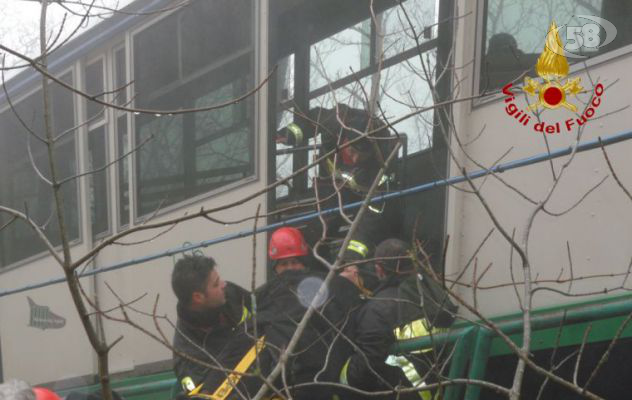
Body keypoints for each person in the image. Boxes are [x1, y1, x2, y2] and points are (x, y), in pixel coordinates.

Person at [181, 227, 362, 399]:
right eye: (284, 264)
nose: (290, 268)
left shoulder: (328, 286)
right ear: (275, 267)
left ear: (304, 263)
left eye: (295, 262)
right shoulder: (263, 296)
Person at [277, 105, 400, 261]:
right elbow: (313, 119)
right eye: (352, 152)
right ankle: (314, 258)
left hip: (359, 196)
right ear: (345, 139)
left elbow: (372, 216)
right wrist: (289, 135)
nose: (355, 159)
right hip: (330, 184)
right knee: (322, 225)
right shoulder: (335, 122)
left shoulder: (381, 164)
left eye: (361, 156)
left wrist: (353, 255)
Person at [341, 238, 458, 400]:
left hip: (410, 393)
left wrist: (341, 382)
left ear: (379, 270)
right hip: (443, 387)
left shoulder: (378, 309)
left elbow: (365, 367)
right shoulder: (433, 292)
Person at [171, 255, 251, 391]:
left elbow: (264, 307)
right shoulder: (187, 355)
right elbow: (206, 393)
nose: (223, 284)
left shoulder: (229, 294)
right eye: (216, 284)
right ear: (198, 297)